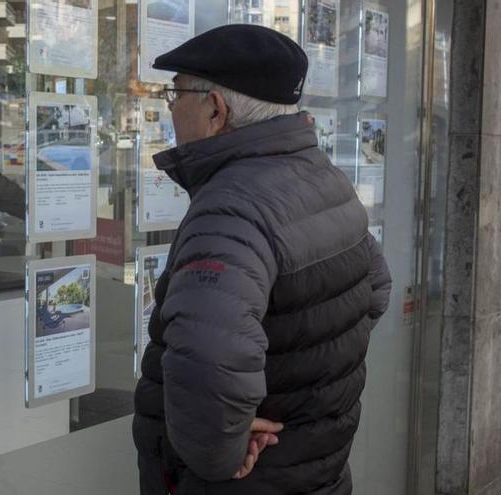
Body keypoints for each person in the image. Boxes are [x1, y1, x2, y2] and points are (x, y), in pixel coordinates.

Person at [132, 25, 392, 494]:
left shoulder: (230, 209)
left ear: (216, 108)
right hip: (317, 467)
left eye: (177, 93)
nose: (171, 108)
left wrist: (221, 454)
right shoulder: (323, 178)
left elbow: (210, 358)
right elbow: (375, 291)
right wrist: (302, 380)